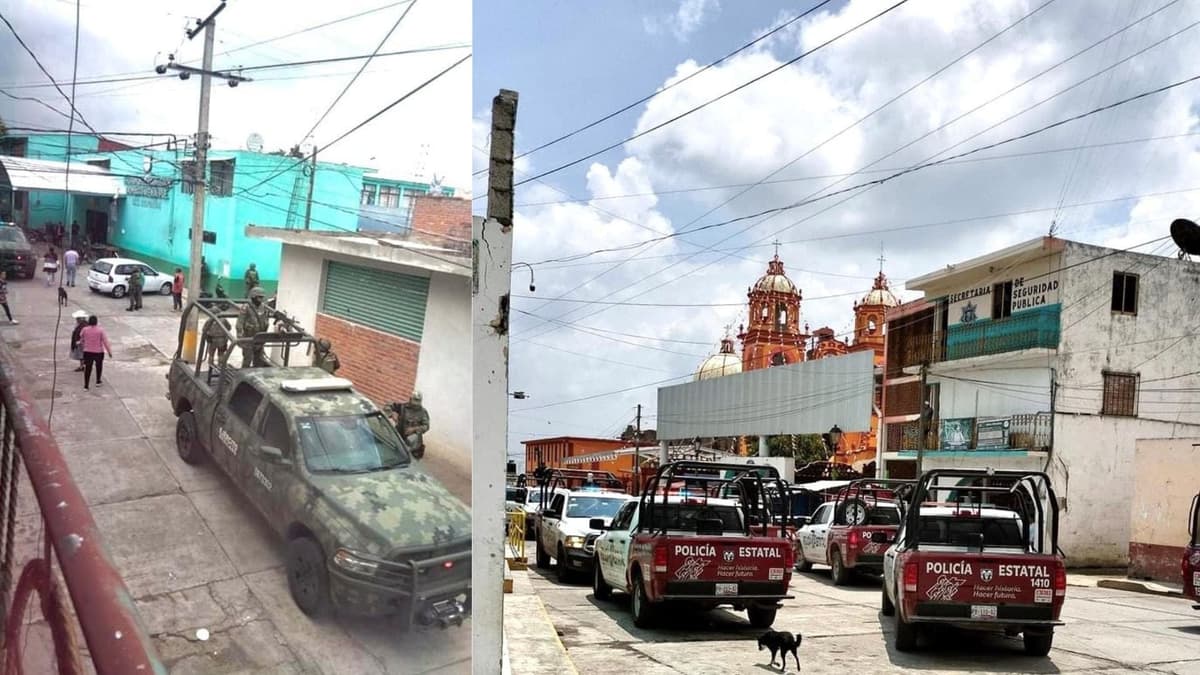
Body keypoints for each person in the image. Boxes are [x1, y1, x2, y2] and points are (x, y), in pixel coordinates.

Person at [237, 286, 273, 367]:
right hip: (248, 337)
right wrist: (240, 336)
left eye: (262, 297)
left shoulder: (264, 307)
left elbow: (266, 320)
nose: (261, 299)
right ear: (253, 297)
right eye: (259, 297)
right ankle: (243, 375)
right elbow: (239, 323)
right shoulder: (246, 307)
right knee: (247, 359)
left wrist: (265, 336)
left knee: (259, 360)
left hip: (260, 337)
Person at [79, 315, 112, 390]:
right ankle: (98, 381)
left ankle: (86, 385)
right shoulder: (100, 330)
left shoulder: (85, 329)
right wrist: (109, 351)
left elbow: (81, 337)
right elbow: (105, 341)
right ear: (96, 322)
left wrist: (81, 343)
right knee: (99, 366)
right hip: (98, 351)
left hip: (87, 351)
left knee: (88, 368)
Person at [395, 392, 429, 458]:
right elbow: (389, 406)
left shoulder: (423, 412)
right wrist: (392, 414)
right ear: (410, 399)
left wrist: (414, 429)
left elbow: (426, 426)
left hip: (412, 444)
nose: (416, 404)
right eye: (414, 400)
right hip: (399, 437)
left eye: (418, 401)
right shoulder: (403, 407)